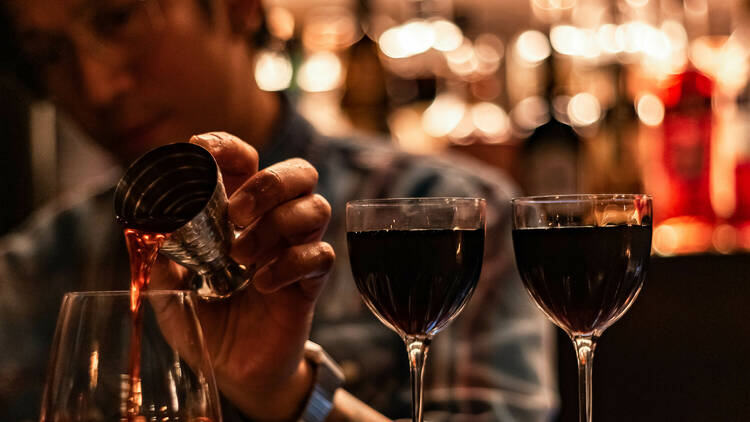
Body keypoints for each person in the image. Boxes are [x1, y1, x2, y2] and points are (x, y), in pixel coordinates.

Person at [0, 0, 557, 421]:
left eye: (116, 19)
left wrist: (288, 393)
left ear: (239, 8)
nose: (97, 89)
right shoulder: (34, 266)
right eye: (49, 55)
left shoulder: (450, 220)